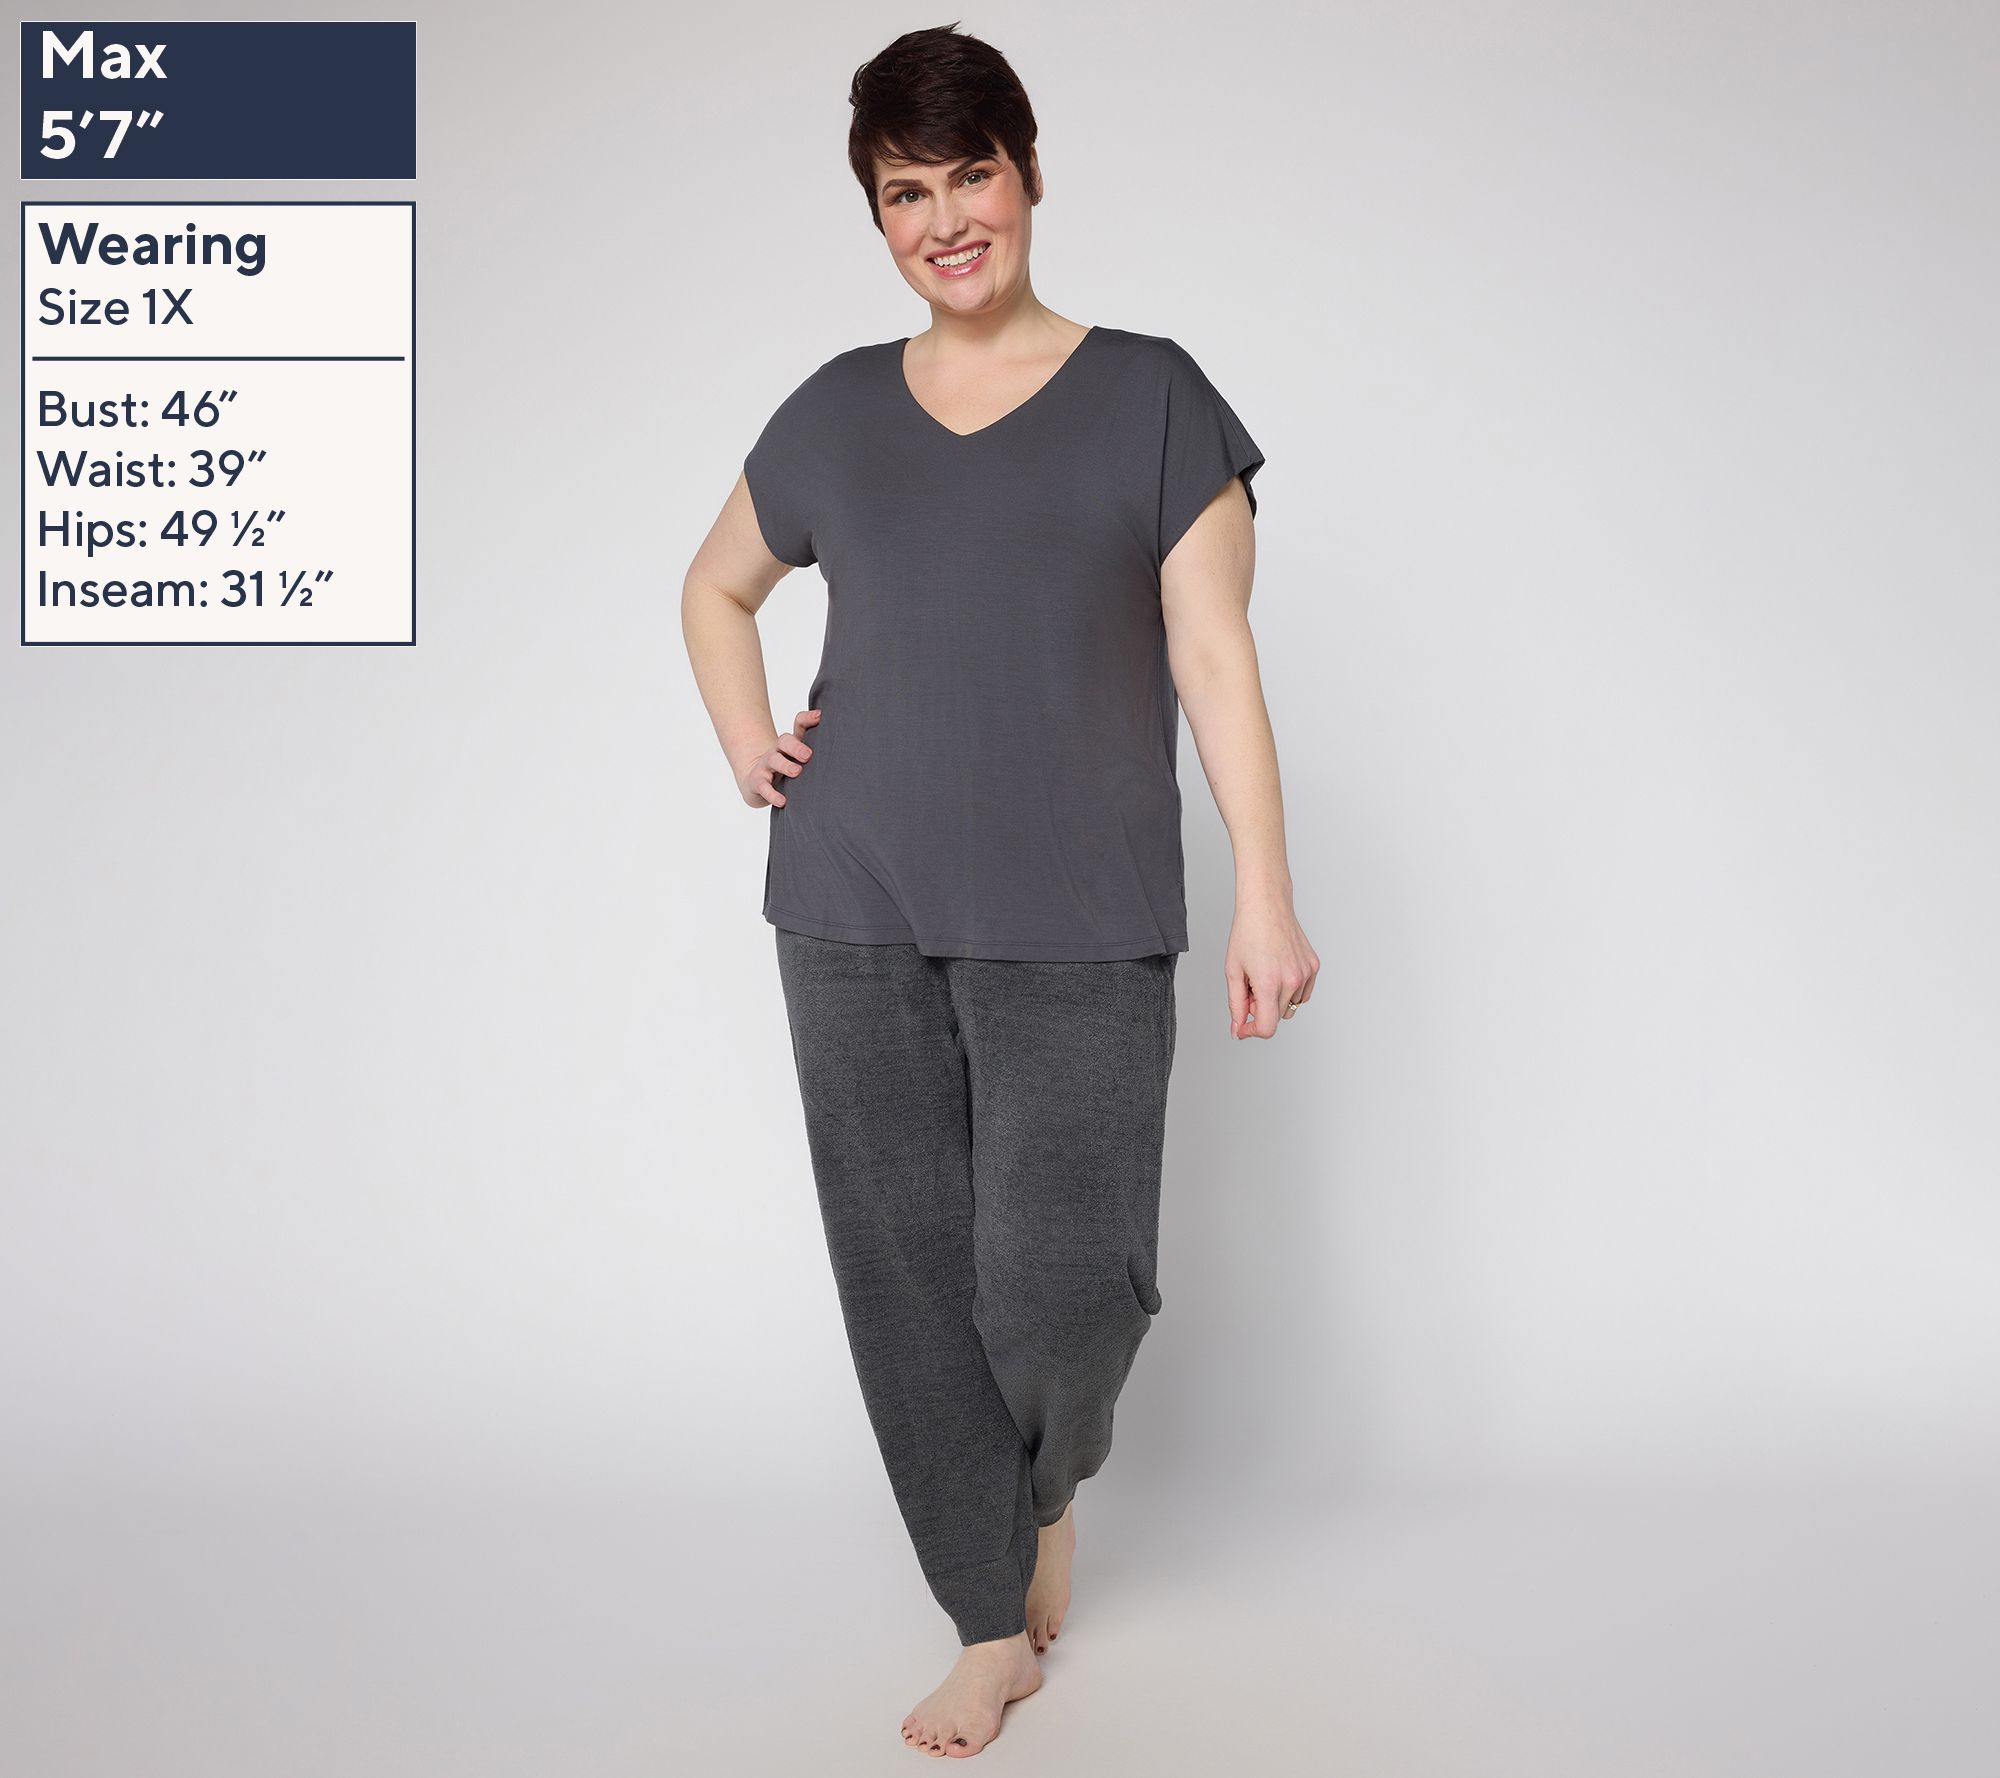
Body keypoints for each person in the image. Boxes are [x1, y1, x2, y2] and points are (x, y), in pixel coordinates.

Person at [681, 23, 1317, 1760]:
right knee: (903, 1274)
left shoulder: (1156, 397)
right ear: (877, 217)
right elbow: (716, 586)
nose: (947, 219)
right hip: (851, 898)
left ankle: (1044, 1488)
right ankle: (985, 1620)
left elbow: (1214, 653)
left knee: (1062, 1282)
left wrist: (1265, 893)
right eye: (908, 193)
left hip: (1085, 911)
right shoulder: (833, 409)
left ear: (1029, 172)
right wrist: (748, 741)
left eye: (973, 175)